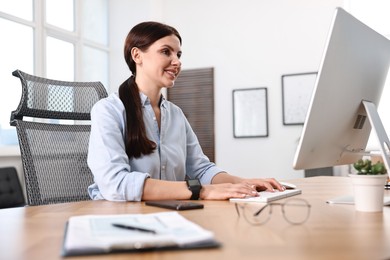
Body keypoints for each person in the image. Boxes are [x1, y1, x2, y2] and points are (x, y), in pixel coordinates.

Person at [87, 21, 284, 202]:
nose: (177, 61)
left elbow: (201, 169)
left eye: (178, 55)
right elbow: (116, 184)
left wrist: (244, 184)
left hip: (170, 214)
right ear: (137, 55)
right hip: (122, 219)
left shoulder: (176, 115)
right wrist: (202, 191)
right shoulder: (108, 111)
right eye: (166, 52)